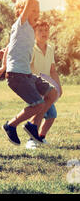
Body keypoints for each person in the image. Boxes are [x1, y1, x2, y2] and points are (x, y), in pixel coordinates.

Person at [0, 0, 58, 145]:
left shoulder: (29, 30)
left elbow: (9, 47)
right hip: (17, 76)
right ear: (22, 12)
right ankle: (11, 125)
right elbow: (29, 2)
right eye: (32, 9)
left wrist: (3, 64)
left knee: (52, 93)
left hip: (27, 75)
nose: (36, 12)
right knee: (37, 105)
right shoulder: (21, 25)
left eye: (37, 10)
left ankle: (32, 126)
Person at [26, 20, 62, 149]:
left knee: (51, 115)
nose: (44, 33)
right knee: (39, 112)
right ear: (34, 33)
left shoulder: (51, 48)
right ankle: (31, 139)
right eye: (40, 30)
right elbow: (27, 69)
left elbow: (52, 70)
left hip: (48, 89)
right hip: (34, 87)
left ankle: (40, 137)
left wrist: (59, 86)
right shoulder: (32, 48)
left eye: (46, 30)